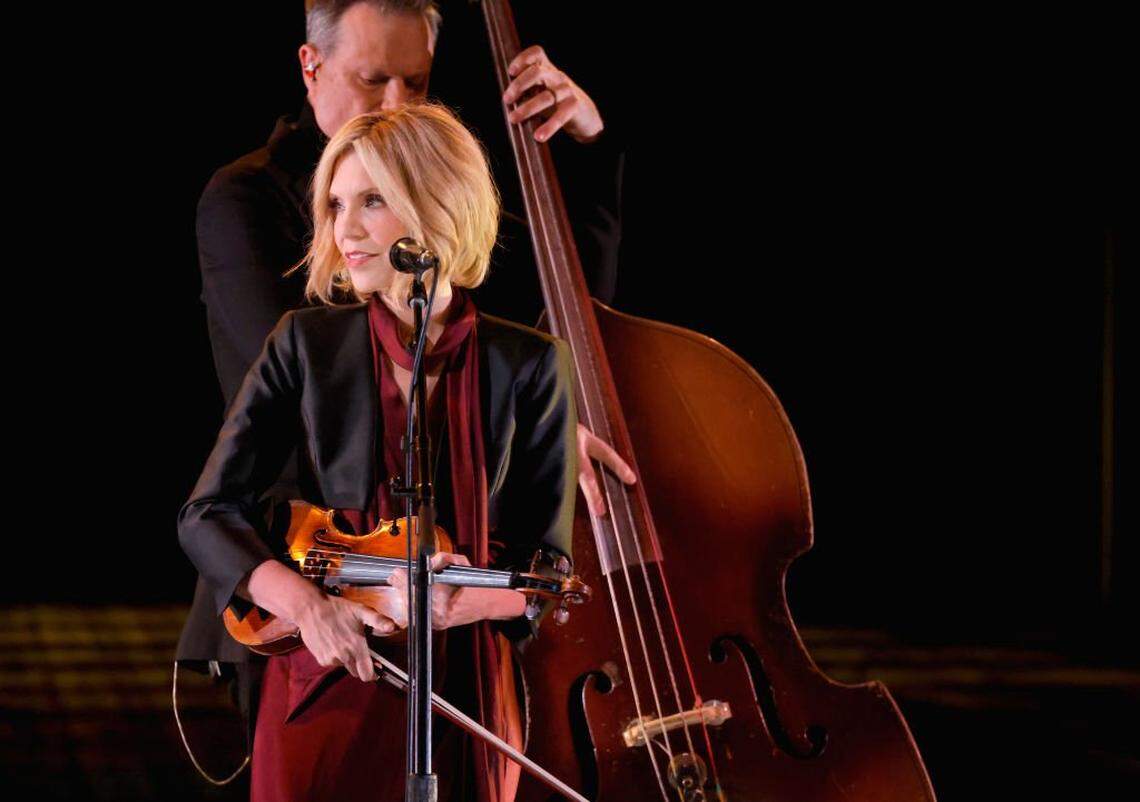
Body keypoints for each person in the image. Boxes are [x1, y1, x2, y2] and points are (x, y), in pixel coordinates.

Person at [180, 102, 574, 801]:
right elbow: (206, 514)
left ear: (434, 204)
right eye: (335, 204)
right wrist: (309, 606)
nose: (345, 228)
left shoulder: (533, 364)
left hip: (467, 697)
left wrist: (459, 606)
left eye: (372, 200)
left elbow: (546, 570)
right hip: (326, 683)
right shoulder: (304, 346)